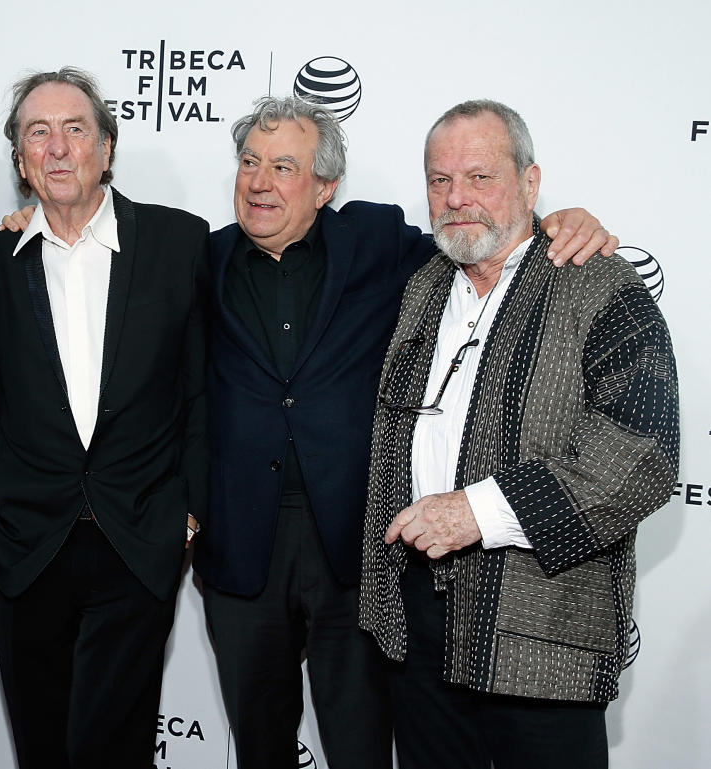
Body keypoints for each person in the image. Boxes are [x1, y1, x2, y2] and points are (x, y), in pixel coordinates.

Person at [191, 96, 619, 769]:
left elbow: (487, 239)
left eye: (284, 166)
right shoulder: (199, 258)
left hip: (356, 552)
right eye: (249, 163)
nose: (260, 182)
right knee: (257, 744)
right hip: (241, 548)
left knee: (363, 746)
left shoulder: (380, 243)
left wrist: (561, 221)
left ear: (326, 186)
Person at [359, 100, 678, 769]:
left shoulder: (601, 286)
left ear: (531, 184)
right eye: (439, 179)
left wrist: (475, 511)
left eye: (479, 177)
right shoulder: (423, 286)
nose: (456, 198)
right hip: (418, 623)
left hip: (543, 625)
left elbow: (641, 455)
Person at [0, 67, 208, 769]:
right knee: (42, 745)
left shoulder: (178, 243)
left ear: (106, 148)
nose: (57, 148)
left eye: (75, 130)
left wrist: (187, 512)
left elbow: (200, 393)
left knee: (112, 749)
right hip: (23, 541)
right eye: (39, 132)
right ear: (19, 158)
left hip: (138, 535)